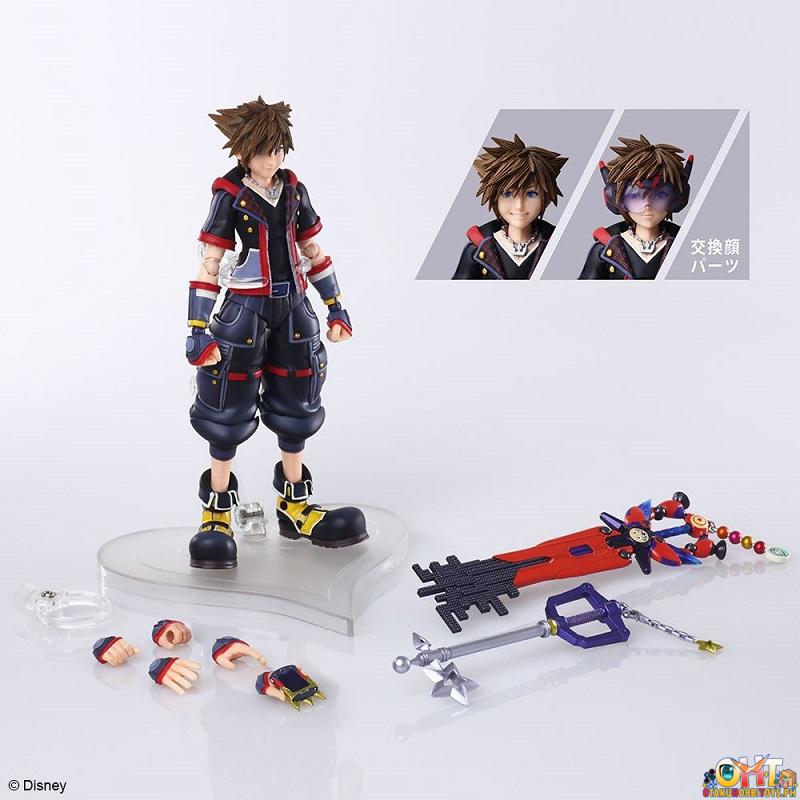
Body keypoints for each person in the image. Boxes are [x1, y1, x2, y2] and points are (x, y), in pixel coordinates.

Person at [186, 96, 367, 569]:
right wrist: (197, 328)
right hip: (244, 310)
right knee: (225, 409)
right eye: (266, 150)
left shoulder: (293, 190)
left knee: (298, 403)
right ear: (245, 150)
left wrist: (336, 306)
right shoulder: (229, 194)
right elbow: (210, 263)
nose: (274, 159)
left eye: (280, 149)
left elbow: (313, 250)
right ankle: (216, 515)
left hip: (294, 308)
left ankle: (296, 507)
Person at [452, 134, 567, 280]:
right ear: (495, 197)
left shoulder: (557, 244)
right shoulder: (478, 249)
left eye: (531, 194)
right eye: (507, 194)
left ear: (545, 197)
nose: (519, 206)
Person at [579, 135, 693, 280]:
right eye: (635, 196)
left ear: (677, 198)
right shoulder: (605, 249)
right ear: (614, 197)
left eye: (660, 195)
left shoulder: (685, 246)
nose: (647, 206)